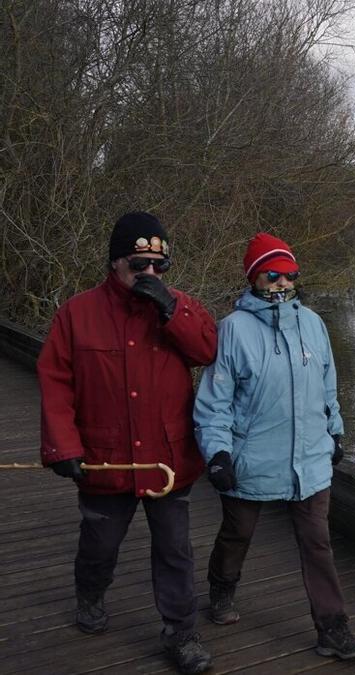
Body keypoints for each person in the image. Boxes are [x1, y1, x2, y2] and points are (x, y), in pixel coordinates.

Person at [38, 211, 217, 674]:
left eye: (160, 266)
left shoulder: (180, 306)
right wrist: (63, 446)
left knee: (176, 550)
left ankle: (182, 634)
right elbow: (56, 382)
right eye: (140, 265)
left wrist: (170, 310)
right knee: (99, 545)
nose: (150, 275)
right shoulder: (76, 313)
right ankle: (91, 596)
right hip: (105, 458)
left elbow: (207, 351)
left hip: (167, 460)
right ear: (116, 262)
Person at [193, 232, 355, 660]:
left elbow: (328, 386)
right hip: (251, 459)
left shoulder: (312, 323)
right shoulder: (232, 330)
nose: (283, 283)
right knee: (237, 534)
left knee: (318, 544)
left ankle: (333, 628)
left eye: (290, 275)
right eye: (273, 275)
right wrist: (217, 454)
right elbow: (213, 404)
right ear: (255, 278)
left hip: (309, 460)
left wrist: (336, 432)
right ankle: (221, 590)